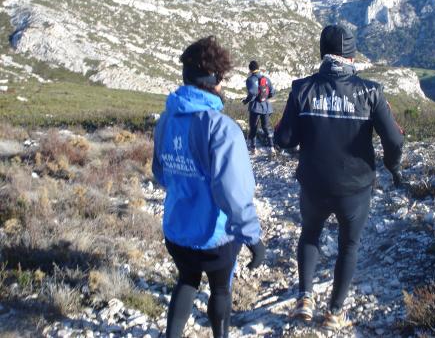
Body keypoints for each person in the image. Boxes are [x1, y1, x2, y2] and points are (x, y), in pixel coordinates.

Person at [274, 24, 404, 331]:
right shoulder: (371, 91)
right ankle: (333, 312)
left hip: (314, 184)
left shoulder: (301, 89)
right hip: (355, 188)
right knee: (349, 245)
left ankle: (304, 300)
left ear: (322, 52)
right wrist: (392, 167)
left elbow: (284, 140)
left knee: (309, 235)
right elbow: (395, 141)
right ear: (353, 54)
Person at [152, 36, 266, 338]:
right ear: (215, 79)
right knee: (219, 289)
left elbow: (161, 175)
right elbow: (235, 193)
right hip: (216, 239)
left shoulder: (165, 121)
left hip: (177, 231)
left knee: (186, 281)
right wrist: (253, 237)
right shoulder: (221, 128)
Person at [242, 60, 275, 154]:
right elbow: (272, 92)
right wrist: (264, 99)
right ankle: (271, 147)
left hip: (255, 107)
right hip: (266, 107)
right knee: (266, 127)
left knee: (253, 127)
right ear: (258, 68)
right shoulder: (266, 79)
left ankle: (253, 148)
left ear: (250, 69)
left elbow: (252, 93)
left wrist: (246, 101)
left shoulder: (250, 79)